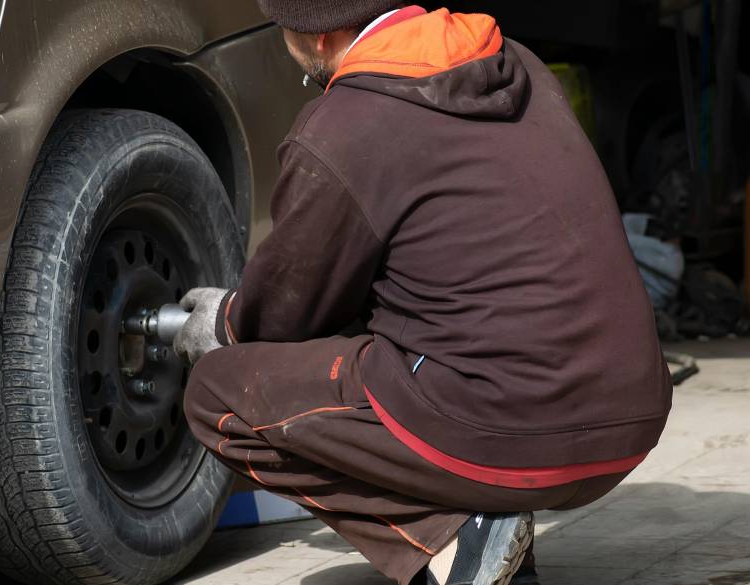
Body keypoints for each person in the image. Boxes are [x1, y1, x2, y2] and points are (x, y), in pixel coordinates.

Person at [173, 3, 673, 584]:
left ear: (318, 37)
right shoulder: (518, 65)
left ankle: (458, 537)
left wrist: (224, 321)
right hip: (630, 421)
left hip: (516, 434)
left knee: (218, 392)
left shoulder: (347, 124)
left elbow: (289, 313)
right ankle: (484, 525)